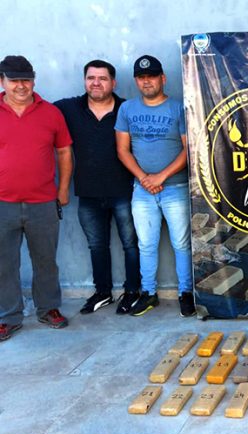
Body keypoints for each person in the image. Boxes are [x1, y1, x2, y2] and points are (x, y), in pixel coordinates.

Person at [55, 60, 141, 315]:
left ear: (113, 83)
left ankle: (133, 292)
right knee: (97, 246)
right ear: (84, 81)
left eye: (102, 78)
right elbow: (38, 112)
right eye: (91, 78)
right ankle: (103, 292)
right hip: (88, 193)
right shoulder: (69, 108)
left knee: (130, 244)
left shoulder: (127, 108)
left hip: (124, 191)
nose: (96, 83)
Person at [0, 55, 73, 341]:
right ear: (2, 81)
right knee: (4, 263)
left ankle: (48, 308)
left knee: (46, 260)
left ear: (33, 81)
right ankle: (8, 316)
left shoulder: (51, 113)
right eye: (14, 80)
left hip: (43, 202)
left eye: (26, 80)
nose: (21, 86)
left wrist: (63, 189)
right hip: (2, 203)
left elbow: (64, 151)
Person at [115, 55, 194, 317]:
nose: (146, 81)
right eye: (141, 77)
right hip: (142, 190)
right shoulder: (127, 109)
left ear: (163, 78)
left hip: (175, 187)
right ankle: (148, 293)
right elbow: (122, 149)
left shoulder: (179, 108)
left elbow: (188, 149)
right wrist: (144, 178)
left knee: (181, 243)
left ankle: (186, 292)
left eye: (151, 76)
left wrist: (160, 177)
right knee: (146, 245)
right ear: (136, 81)